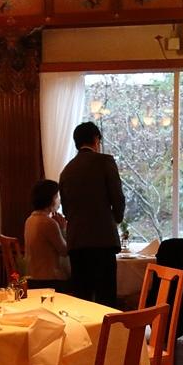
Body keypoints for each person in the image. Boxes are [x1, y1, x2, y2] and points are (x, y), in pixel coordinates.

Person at [58, 121, 125, 306]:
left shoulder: (66, 170)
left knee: (82, 298)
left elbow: (66, 209)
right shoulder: (105, 162)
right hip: (103, 240)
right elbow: (117, 197)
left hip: (76, 242)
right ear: (96, 139)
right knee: (106, 298)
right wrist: (116, 219)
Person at [24, 179, 70, 290]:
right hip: (49, 280)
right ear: (51, 199)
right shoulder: (48, 222)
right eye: (57, 196)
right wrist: (63, 228)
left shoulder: (29, 220)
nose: (59, 201)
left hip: (32, 279)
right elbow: (64, 251)